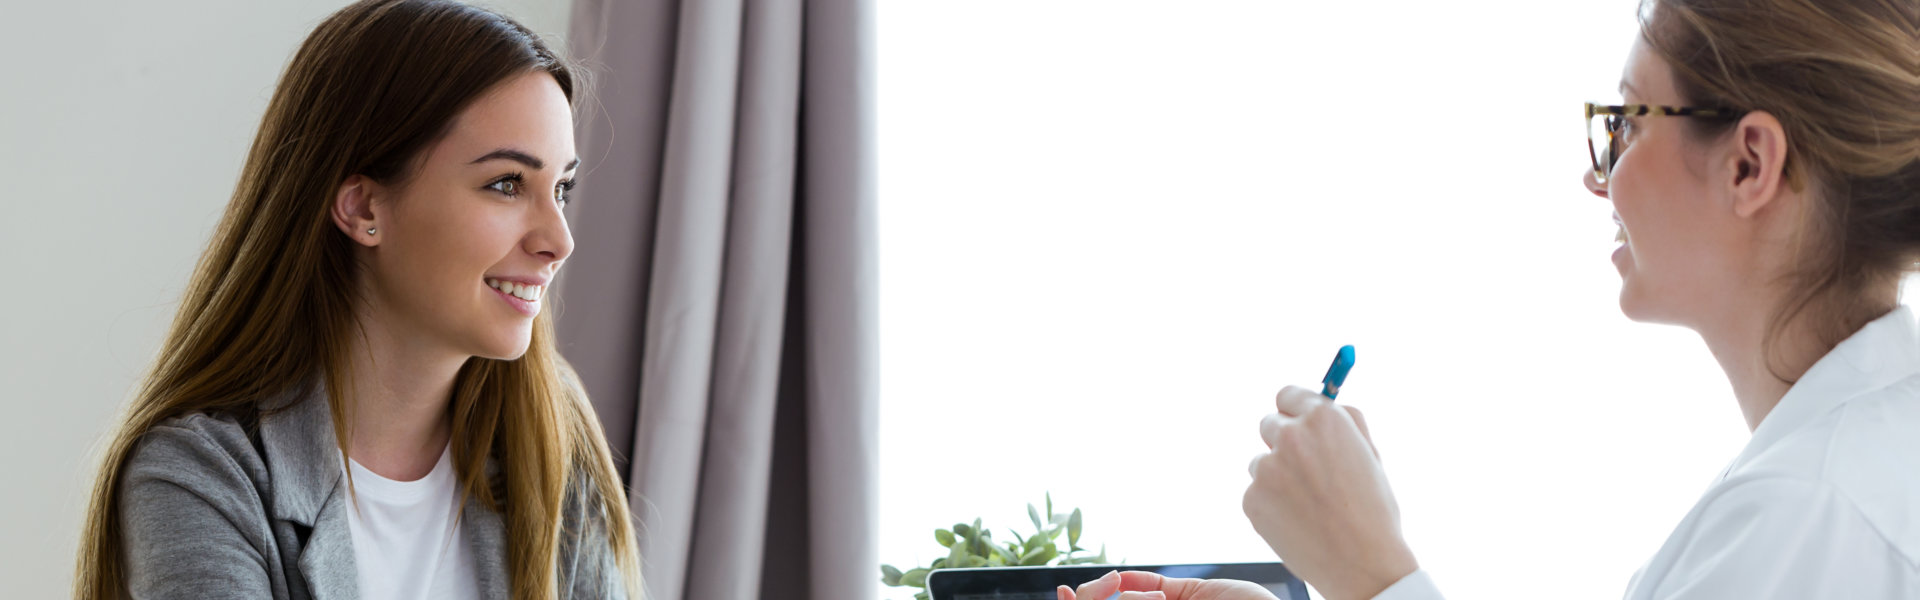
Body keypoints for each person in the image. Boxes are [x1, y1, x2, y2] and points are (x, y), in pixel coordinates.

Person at [1061, 0, 1920, 598]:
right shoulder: (1839, 474)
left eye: (1624, 123)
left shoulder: (1814, 512)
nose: (1596, 175)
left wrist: (1371, 573)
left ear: (1749, 165)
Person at [70, 1, 642, 598]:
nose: (559, 241)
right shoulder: (199, 478)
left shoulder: (550, 433)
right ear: (363, 208)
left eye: (562, 189)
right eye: (506, 185)